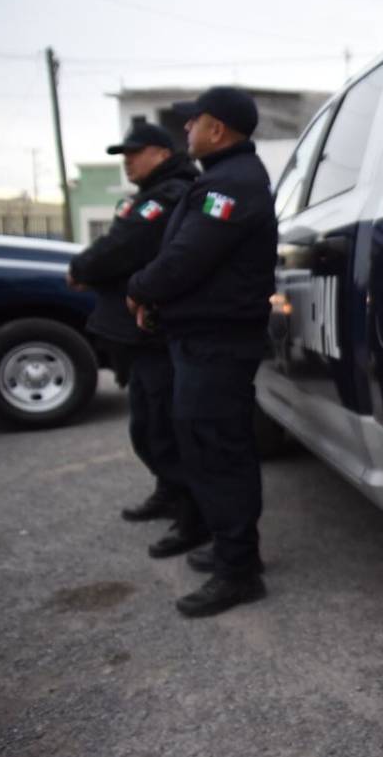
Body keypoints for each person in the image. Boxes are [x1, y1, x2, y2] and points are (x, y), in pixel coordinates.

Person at [127, 87, 277, 618]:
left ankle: (239, 571)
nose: (186, 129)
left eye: (193, 122)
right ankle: (232, 548)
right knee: (208, 446)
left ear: (217, 128)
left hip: (218, 342)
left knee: (219, 452)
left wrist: (141, 288)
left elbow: (186, 258)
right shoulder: (222, 177)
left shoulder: (231, 183)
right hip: (204, 339)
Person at [66, 120, 200, 534]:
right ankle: (169, 491)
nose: (127, 161)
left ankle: (190, 509)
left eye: (134, 153)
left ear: (162, 154)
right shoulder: (150, 195)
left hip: (155, 333)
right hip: (136, 335)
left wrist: (83, 268)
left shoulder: (170, 194)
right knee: (147, 423)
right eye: (124, 154)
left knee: (162, 424)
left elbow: (126, 245)